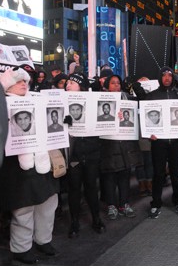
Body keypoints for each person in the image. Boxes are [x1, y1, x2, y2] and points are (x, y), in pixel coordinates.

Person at [0, 67, 59, 264]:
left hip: (42, 163)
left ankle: (43, 240)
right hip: (15, 166)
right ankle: (21, 248)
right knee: (23, 209)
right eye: (18, 81)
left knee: (48, 203)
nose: (24, 84)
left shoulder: (39, 101)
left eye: (26, 81)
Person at [132, 66, 178, 218]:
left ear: (173, 77)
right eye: (164, 75)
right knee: (158, 173)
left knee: (176, 173)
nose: (167, 78)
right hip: (158, 141)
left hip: (177, 141)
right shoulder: (152, 96)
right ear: (160, 78)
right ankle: (156, 203)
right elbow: (145, 118)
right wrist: (148, 133)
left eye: (169, 75)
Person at [65, 73, 106, 238]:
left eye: (71, 83)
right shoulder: (60, 103)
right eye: (67, 83)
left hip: (91, 153)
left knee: (91, 187)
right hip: (74, 156)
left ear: (80, 86)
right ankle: (74, 221)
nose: (68, 85)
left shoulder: (92, 102)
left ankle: (96, 218)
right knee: (74, 189)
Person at [99, 74, 141, 221]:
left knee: (125, 176)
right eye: (113, 83)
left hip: (126, 144)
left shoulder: (129, 100)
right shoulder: (100, 100)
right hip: (108, 145)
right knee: (109, 177)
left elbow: (143, 102)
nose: (116, 86)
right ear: (107, 86)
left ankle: (124, 204)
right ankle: (111, 205)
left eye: (118, 83)